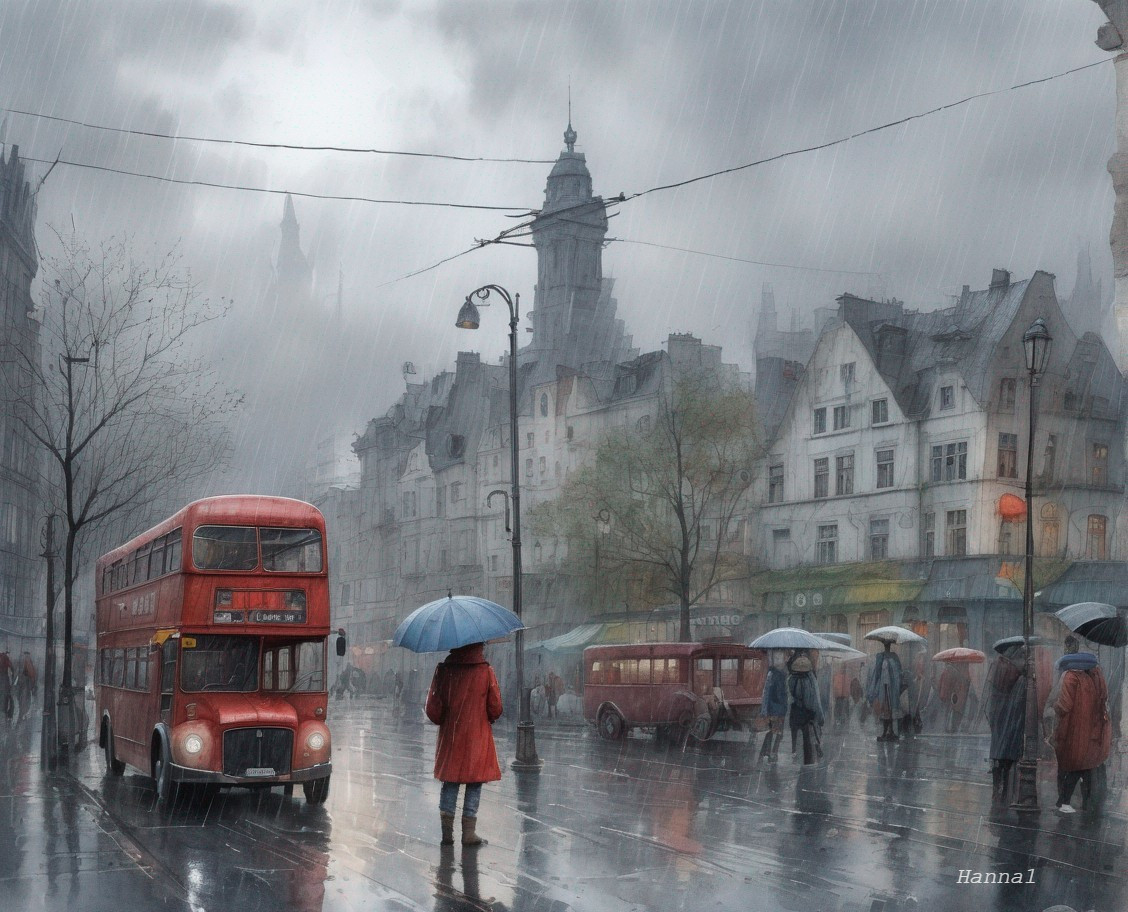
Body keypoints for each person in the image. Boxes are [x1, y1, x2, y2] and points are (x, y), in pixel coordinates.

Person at [424, 642, 503, 846]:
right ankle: (469, 833)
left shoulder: (443, 671)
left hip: (451, 737)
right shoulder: (485, 671)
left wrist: (449, 717)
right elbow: (495, 708)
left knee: (450, 782)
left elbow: (433, 710)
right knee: (474, 783)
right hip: (477, 737)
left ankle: (447, 833)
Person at [1052, 649, 1111, 814]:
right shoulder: (1095, 677)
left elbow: (1065, 705)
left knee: (1076, 766)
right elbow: (1103, 698)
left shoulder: (1072, 677)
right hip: (1092, 729)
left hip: (1075, 729)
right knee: (1085, 766)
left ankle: (1064, 801)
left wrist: (1054, 707)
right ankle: (1082, 802)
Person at [984, 645, 1026, 805]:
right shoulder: (1012, 669)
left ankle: (997, 787)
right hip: (1009, 716)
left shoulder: (997, 665)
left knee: (998, 753)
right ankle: (1004, 789)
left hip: (998, 714)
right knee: (1007, 754)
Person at [787, 653, 823, 765]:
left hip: (795, 711)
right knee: (807, 736)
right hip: (805, 712)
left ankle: (794, 751)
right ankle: (808, 759)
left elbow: (790, 696)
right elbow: (811, 699)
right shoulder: (808, 680)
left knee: (794, 732)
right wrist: (817, 715)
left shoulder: (790, 679)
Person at [867, 643, 903, 742]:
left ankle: (890, 732)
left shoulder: (893, 657)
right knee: (885, 710)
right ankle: (886, 732)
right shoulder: (880, 657)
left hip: (891, 689)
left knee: (890, 710)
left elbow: (897, 673)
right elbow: (877, 674)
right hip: (883, 687)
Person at [758, 651, 788, 763]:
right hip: (777, 710)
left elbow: (766, 694)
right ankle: (772, 754)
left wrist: (764, 710)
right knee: (778, 733)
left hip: (771, 709)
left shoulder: (770, 673)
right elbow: (779, 695)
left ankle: (766, 753)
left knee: (771, 732)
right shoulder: (779, 675)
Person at [938, 661, 970, 733]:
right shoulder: (954, 672)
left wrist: (940, 692)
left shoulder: (944, 672)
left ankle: (945, 727)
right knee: (949, 711)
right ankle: (947, 727)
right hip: (950, 695)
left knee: (946, 711)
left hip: (943, 694)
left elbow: (939, 684)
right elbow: (955, 686)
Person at [16, 652, 36, 721]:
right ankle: (22, 714)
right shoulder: (26, 661)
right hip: (24, 682)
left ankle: (22, 714)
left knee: (24, 698)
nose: (24, 656)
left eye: (25, 654)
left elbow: (31, 674)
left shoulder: (27, 661)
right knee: (24, 698)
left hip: (25, 682)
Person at [0, 649, 12, 721]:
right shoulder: (5, 659)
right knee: (5, 698)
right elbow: (10, 669)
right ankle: (5, 714)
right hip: (4, 681)